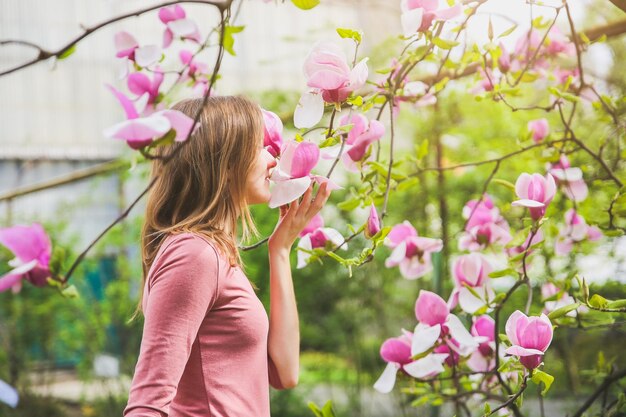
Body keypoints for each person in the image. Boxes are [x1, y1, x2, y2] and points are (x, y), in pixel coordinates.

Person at [124, 96, 331, 417]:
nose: (272, 158)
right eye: (258, 148)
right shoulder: (193, 253)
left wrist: (280, 251)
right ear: (226, 160)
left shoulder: (215, 253)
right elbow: (147, 405)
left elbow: (285, 372)